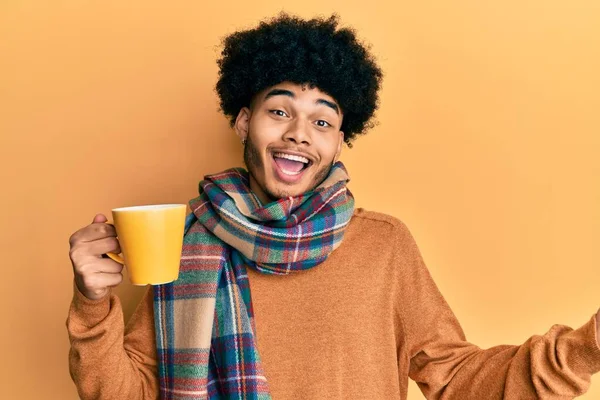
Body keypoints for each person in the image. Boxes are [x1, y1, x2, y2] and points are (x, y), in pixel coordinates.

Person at [66, 13, 600, 400]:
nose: (299, 135)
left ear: (339, 141)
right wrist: (92, 302)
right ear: (243, 121)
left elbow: (457, 379)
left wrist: (584, 349)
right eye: (279, 111)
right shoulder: (186, 242)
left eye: (322, 121)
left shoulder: (383, 244)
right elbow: (127, 393)